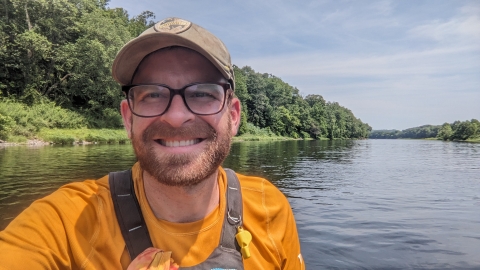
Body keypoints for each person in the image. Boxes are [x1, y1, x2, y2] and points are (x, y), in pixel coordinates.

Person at [0, 17, 304, 269]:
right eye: (152, 94)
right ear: (128, 117)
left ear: (234, 116)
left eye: (202, 93)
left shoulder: (269, 208)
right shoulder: (66, 223)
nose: (175, 117)